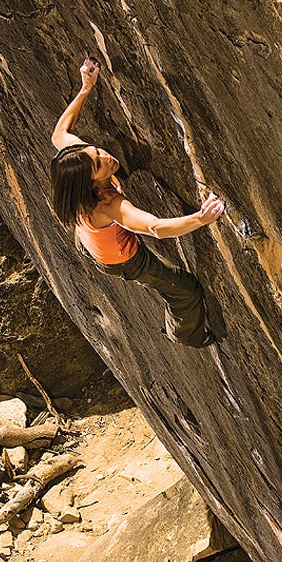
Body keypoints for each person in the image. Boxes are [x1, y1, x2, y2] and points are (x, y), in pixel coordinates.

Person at [50, 57, 225, 348]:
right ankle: (186, 335)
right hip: (122, 258)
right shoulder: (108, 204)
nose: (107, 157)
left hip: (90, 240)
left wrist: (86, 87)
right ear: (91, 184)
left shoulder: (75, 165)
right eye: (100, 165)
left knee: (93, 238)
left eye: (97, 151)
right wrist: (201, 218)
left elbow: (59, 134)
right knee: (186, 290)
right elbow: (155, 228)